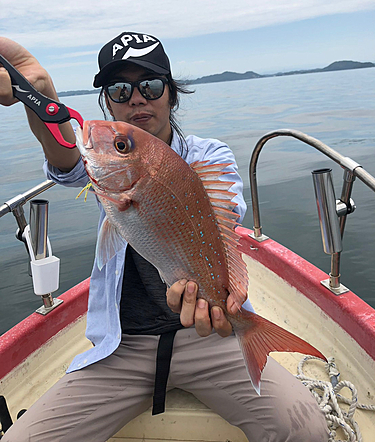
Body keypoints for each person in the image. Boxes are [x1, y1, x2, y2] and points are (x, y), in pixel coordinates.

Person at [0, 32, 329, 442]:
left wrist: (226, 303)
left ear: (171, 94)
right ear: (108, 100)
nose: (136, 98)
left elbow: (225, 222)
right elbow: (67, 161)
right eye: (120, 89)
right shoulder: (111, 168)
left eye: (150, 85)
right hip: (122, 348)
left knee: (306, 429)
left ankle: (252, 336)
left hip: (209, 334)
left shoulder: (209, 157)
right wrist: (40, 96)